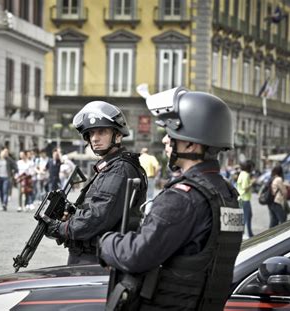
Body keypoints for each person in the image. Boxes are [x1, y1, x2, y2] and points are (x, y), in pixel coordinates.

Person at [99, 86, 244, 310]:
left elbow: (138, 254)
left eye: (172, 134)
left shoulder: (182, 197)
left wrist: (106, 243)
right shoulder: (226, 194)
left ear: (191, 143)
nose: (166, 140)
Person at [43, 101, 147, 265]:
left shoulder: (119, 169)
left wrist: (60, 228)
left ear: (118, 135)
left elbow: (98, 217)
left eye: (101, 132)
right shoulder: (111, 166)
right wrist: (72, 213)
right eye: (91, 134)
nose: (95, 138)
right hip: (92, 255)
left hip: (97, 259)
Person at [139, 147, 160, 213]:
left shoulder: (139, 158)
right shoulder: (151, 158)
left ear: (141, 152)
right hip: (150, 178)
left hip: (140, 178)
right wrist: (155, 175)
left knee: (140, 195)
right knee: (150, 196)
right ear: (148, 152)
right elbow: (157, 167)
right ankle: (147, 213)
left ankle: (140, 212)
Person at [237, 160, 254, 239]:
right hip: (245, 199)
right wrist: (251, 183)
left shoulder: (241, 173)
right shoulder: (246, 175)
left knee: (246, 216)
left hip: (241, 198)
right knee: (247, 216)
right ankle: (246, 234)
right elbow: (245, 188)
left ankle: (246, 233)